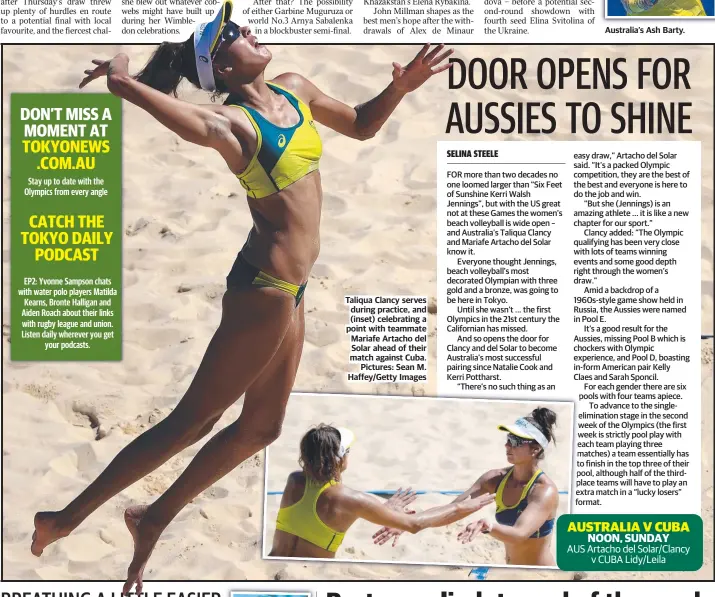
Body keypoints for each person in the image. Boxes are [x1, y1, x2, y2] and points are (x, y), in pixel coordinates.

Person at [29, 1, 455, 592]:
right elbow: (166, 109)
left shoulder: (296, 89)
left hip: (293, 289)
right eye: (230, 34)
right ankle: (64, 518)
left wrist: (400, 88)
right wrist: (123, 79)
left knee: (260, 429)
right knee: (193, 422)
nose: (247, 30)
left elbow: (360, 123)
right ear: (221, 71)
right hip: (262, 291)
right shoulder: (233, 126)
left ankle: (150, 518)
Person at [268, 425, 495, 558]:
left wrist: (381, 509)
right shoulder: (352, 499)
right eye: (349, 451)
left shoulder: (294, 481)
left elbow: (319, 516)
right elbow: (414, 525)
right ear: (341, 458)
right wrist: (459, 506)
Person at [373, 407, 559, 567]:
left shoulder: (543, 491)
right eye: (508, 438)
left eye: (516, 441)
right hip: (510, 572)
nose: (507, 445)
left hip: (541, 576)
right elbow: (453, 509)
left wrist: (488, 526)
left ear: (535, 449)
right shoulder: (495, 478)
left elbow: (519, 534)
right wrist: (409, 523)